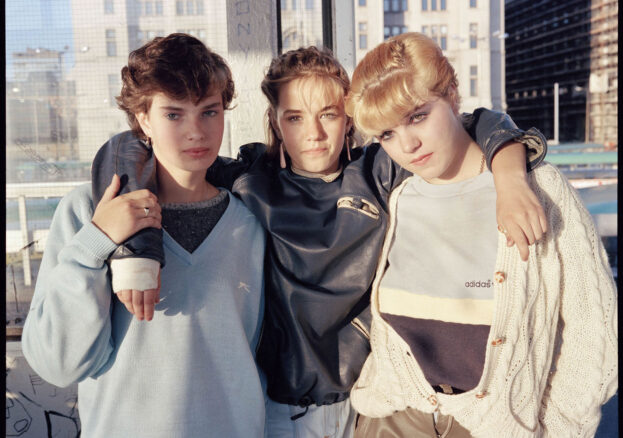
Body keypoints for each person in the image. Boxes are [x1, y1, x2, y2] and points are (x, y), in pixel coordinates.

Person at [92, 44, 548, 437]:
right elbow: (129, 146)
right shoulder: (250, 179)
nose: (313, 133)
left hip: (364, 404)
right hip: (276, 408)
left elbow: (479, 123)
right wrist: (137, 254)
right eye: (295, 117)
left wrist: (510, 180)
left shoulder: (378, 172)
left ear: (348, 120)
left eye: (328, 114)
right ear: (275, 122)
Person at [344, 32, 618, 438]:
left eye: (418, 116)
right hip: (392, 418)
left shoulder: (539, 189)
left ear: (453, 96)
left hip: (501, 425)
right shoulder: (397, 196)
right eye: (386, 135)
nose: (408, 144)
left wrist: (560, 425)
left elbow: (590, 326)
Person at [21, 34, 267, 437]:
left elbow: (256, 357)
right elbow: (57, 363)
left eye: (210, 112)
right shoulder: (88, 211)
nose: (196, 132)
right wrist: (96, 240)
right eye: (174, 114)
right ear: (143, 118)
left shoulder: (250, 223)